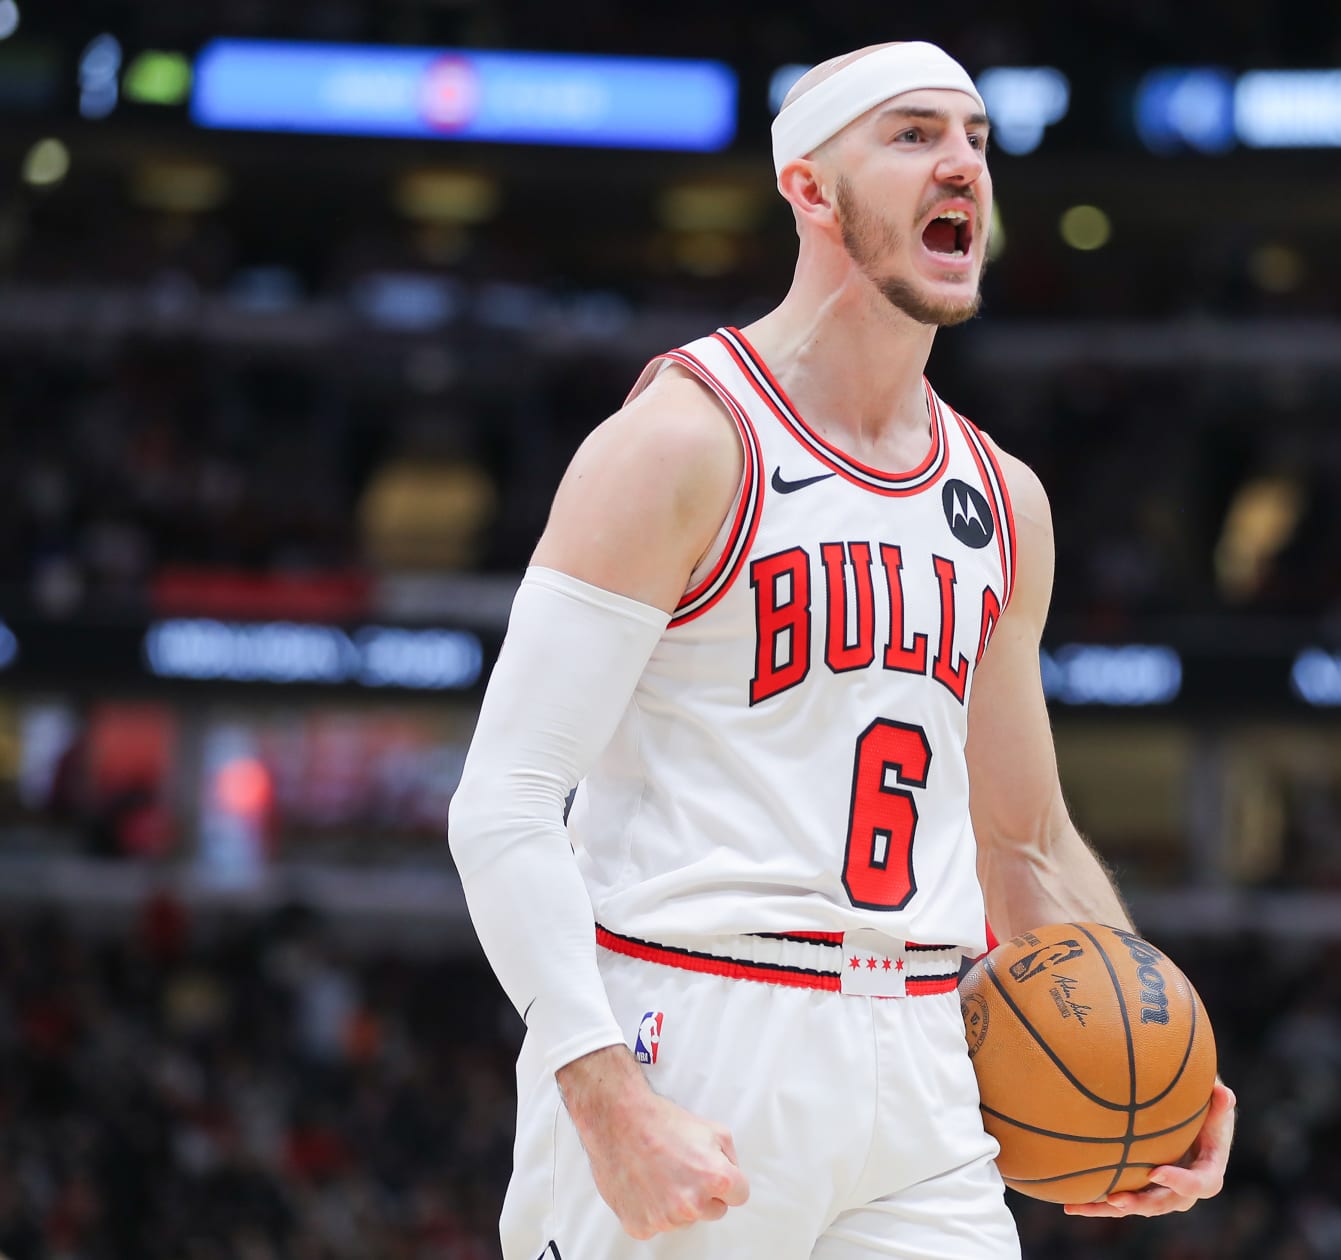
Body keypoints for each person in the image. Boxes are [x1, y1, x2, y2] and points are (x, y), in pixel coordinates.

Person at [447, 39, 1236, 1260]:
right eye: (915, 136)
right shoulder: (682, 441)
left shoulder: (1001, 499)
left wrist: (1160, 1081)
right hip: (695, 1023)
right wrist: (598, 1090)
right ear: (810, 190)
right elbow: (502, 802)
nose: (962, 166)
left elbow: (1022, 838)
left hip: (925, 1049)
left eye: (976, 138)